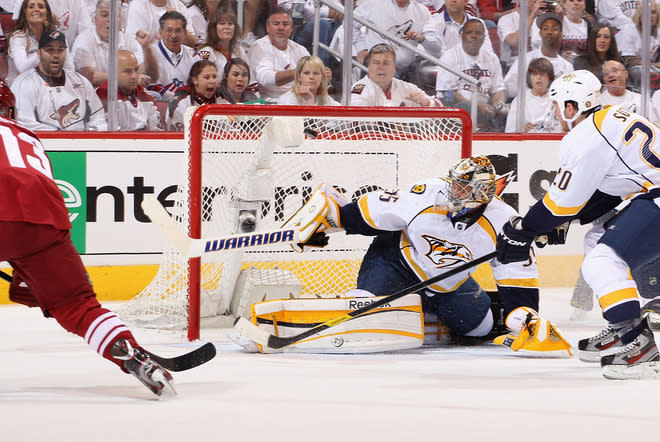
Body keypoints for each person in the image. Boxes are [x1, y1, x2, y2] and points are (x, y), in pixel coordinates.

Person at [288, 156, 571, 354]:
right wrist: (333, 220)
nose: (452, 189)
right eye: (454, 182)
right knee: (364, 310)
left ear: (481, 193)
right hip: (394, 264)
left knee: (480, 330)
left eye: (462, 186)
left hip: (449, 285)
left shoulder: (504, 223)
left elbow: (516, 276)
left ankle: (434, 317)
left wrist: (524, 316)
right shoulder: (427, 194)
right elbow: (372, 212)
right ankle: (392, 309)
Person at [0, 82, 174, 397]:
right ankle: (132, 355)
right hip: (44, 215)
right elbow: (20, 216)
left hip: (26, 208)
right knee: (76, 305)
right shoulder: (29, 137)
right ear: (10, 112)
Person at [495, 69, 660, 379]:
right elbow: (608, 192)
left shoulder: (585, 137)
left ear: (571, 108)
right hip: (652, 194)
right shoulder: (612, 116)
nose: (557, 114)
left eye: (558, 107)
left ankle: (639, 345)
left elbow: (561, 204)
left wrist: (524, 232)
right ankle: (620, 326)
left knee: (603, 259)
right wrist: (555, 221)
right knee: (597, 240)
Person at [10, 30, 107, 130]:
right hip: (42, 143)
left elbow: (99, 118)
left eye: (60, 50)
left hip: (81, 143)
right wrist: (61, 138)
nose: (55, 55)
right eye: (50, 50)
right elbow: (24, 125)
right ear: (39, 54)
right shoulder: (23, 84)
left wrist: (90, 138)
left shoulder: (81, 82)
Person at [435, 19, 506, 131]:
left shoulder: (491, 58)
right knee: (467, 108)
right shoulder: (450, 56)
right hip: (456, 108)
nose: (473, 36)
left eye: (478, 33)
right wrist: (476, 107)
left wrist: (498, 105)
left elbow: (498, 90)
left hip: (484, 107)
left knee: (507, 111)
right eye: (469, 32)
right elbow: (446, 94)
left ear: (484, 37)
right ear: (462, 36)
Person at [71, 0, 158, 88]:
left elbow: (151, 77)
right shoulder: (85, 39)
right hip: (96, 96)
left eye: (115, 15)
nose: (110, 19)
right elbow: (88, 76)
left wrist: (146, 48)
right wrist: (126, 79)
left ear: (121, 20)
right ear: (95, 20)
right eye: (105, 15)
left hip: (126, 95)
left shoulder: (129, 41)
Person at [352, 0, 431, 81]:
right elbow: (350, 22)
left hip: (408, 69)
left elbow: (436, 47)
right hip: (379, 66)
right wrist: (361, 47)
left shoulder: (422, 11)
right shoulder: (373, 4)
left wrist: (422, 38)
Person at [503, 12, 574, 99]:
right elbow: (509, 89)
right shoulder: (526, 60)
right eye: (545, 28)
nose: (549, 32)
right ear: (540, 33)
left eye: (554, 29)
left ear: (560, 34)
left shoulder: (567, 67)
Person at [247, 8, 312, 101]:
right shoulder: (259, 47)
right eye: (276, 24)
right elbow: (266, 80)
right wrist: (299, 72)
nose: (281, 28)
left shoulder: (300, 49)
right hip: (269, 102)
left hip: (297, 100)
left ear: (291, 29)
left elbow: (311, 71)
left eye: (285, 24)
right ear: (268, 28)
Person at [351, 43, 442, 107]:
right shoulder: (359, 89)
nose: (381, 67)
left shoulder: (407, 88)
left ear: (394, 68)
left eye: (386, 63)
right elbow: (356, 124)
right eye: (376, 63)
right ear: (369, 66)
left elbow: (441, 109)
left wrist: (426, 102)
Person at [6, 0, 74, 84]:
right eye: (31, 7)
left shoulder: (57, 37)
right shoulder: (18, 37)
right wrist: (42, 53)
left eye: (41, 7)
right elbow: (22, 68)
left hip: (51, 86)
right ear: (25, 13)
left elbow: (69, 68)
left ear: (47, 14)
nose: (36, 9)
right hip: (22, 87)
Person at [96, 50, 163, 131]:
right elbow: (112, 137)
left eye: (136, 69)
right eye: (127, 71)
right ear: (113, 73)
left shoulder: (145, 95)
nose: (134, 76)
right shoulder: (104, 93)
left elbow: (156, 132)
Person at [149, 11, 200, 100]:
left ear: (185, 33)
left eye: (178, 30)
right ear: (160, 32)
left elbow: (200, 85)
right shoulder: (151, 54)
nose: (173, 35)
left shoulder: (194, 56)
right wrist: (179, 100)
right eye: (169, 30)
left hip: (189, 106)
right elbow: (152, 87)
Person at [505, 57, 564, 132]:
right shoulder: (520, 100)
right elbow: (509, 131)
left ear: (550, 77)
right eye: (535, 74)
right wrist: (523, 129)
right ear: (529, 77)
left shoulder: (557, 98)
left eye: (543, 74)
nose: (539, 77)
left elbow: (564, 128)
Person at [277, 0, 343, 66]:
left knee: (345, 27)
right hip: (300, 28)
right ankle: (320, 67)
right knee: (323, 25)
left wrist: (339, 12)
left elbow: (341, 7)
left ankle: (347, 69)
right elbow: (295, 10)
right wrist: (327, 12)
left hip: (333, 24)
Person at [421, 0, 495, 59]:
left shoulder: (479, 23)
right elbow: (436, 52)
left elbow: (487, 51)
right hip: (445, 69)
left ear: (466, 1)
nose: (453, 0)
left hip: (473, 67)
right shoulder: (433, 22)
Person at [167, 59, 224, 131]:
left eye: (214, 77)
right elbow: (178, 135)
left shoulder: (222, 98)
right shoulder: (181, 102)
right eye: (207, 77)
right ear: (195, 80)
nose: (212, 81)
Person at [196, 7, 246, 77]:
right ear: (213, 28)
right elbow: (201, 81)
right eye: (222, 23)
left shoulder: (240, 51)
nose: (227, 27)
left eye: (230, 23)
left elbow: (249, 80)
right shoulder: (206, 52)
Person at [125, 0, 196, 47]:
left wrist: (179, 25)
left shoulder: (179, 6)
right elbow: (136, 46)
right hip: (149, 61)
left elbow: (192, 43)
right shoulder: (138, 6)